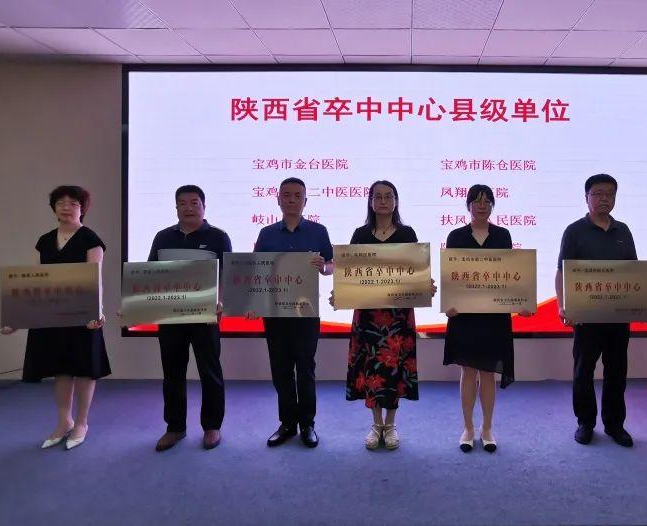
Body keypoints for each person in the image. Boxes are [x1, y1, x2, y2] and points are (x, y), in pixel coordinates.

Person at [0, 185, 109, 450]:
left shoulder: (90, 238)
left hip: (83, 316)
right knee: (60, 369)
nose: (66, 207)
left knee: (84, 370)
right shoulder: (45, 240)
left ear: (82, 208)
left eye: (73, 203)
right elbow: (35, 282)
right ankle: (64, 422)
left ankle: (82, 422)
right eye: (60, 202)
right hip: (53, 314)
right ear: (53, 208)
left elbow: (95, 278)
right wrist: (16, 317)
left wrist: (96, 311)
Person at [343, 180, 435, 450]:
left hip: (398, 315)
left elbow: (417, 272)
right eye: (377, 196)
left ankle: (391, 425)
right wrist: (341, 292)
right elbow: (349, 273)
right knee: (372, 367)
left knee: (394, 367)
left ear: (396, 201)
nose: (383, 201)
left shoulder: (407, 233)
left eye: (388, 196)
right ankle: (376, 425)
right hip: (369, 314)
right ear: (370, 202)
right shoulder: (360, 234)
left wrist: (426, 285)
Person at [444, 184, 531, 453]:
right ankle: (468, 428)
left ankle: (487, 428)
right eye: (477, 201)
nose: (482, 206)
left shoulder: (503, 235)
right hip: (465, 316)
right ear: (468, 205)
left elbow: (509, 275)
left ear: (493, 205)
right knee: (468, 371)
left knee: (488, 372)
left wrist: (521, 302)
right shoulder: (456, 236)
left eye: (487, 201)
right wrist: (448, 304)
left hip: (494, 316)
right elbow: (451, 275)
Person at [555, 173, 637, 447]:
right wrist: (562, 304)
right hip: (585, 316)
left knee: (617, 371)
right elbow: (562, 271)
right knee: (583, 371)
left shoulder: (623, 231)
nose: (604, 199)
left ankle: (615, 424)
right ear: (586, 197)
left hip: (617, 315)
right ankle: (585, 422)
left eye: (610, 194)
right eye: (598, 193)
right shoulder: (574, 231)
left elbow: (633, 272)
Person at [251, 177, 334, 449]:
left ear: (305, 201)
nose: (292, 200)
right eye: (286, 195)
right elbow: (256, 270)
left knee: (306, 368)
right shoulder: (266, 234)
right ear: (278, 200)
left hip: (306, 312)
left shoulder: (318, 231)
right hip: (274, 312)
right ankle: (287, 423)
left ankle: (308, 424)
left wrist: (323, 266)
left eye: (298, 195)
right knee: (281, 369)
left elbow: (331, 265)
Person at [147, 185, 231, 452]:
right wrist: (135, 306)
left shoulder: (218, 237)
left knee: (210, 371)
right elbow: (149, 275)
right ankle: (175, 427)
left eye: (194, 202)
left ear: (204, 206)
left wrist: (221, 301)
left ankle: (212, 426)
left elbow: (229, 275)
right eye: (182, 203)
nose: (188, 208)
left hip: (205, 316)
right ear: (176, 208)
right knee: (172, 372)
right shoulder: (163, 237)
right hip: (170, 316)